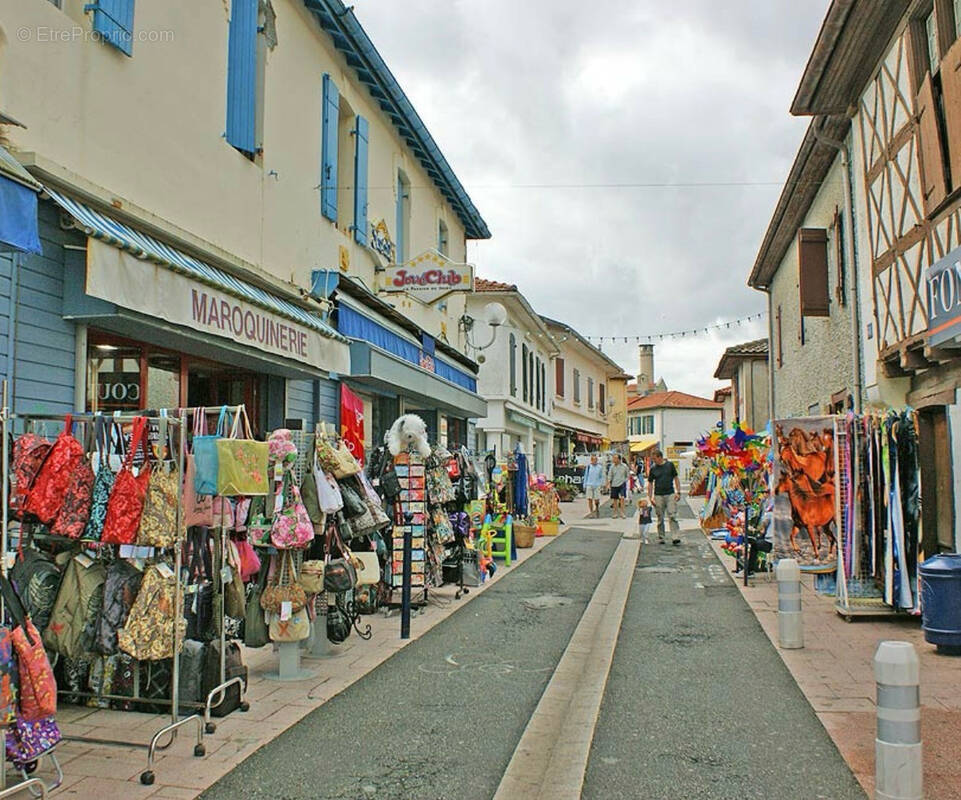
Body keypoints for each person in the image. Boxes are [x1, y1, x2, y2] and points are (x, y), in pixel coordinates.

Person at [648, 449, 681, 545]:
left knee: (672, 515)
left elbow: (676, 478)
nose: (654, 461)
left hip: (670, 493)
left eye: (655, 459)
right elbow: (650, 483)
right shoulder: (653, 469)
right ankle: (661, 536)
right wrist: (650, 497)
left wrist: (678, 492)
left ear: (660, 457)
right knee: (660, 516)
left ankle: (675, 536)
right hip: (658, 494)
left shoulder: (670, 466)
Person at [606, 453, 630, 518]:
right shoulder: (612, 467)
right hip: (614, 484)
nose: (614, 460)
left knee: (622, 498)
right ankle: (615, 513)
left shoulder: (624, 466)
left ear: (619, 459)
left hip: (622, 484)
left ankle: (622, 513)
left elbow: (627, 475)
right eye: (613, 458)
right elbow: (609, 476)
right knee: (615, 499)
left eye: (615, 458)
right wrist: (608, 484)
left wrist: (625, 481)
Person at [583, 453, 605, 518]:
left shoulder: (600, 467)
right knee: (589, 499)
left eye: (596, 460)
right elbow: (586, 476)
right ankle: (591, 512)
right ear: (591, 460)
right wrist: (584, 485)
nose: (594, 461)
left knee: (596, 499)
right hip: (589, 484)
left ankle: (597, 508)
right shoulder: (589, 467)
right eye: (593, 460)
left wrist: (602, 484)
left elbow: (601, 476)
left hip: (597, 485)